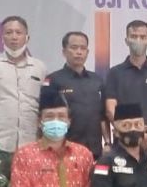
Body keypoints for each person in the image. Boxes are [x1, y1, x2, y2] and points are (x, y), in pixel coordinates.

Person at [0, 16, 48, 152]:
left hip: (31, 143)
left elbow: (44, 106)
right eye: (9, 33)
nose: (14, 37)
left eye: (18, 32)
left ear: (27, 37)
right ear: (2, 38)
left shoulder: (40, 67)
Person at [105, 20, 147, 163]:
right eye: (134, 37)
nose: (138, 41)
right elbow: (110, 109)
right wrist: (132, 134)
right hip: (123, 144)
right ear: (126, 40)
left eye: (142, 37)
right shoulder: (114, 73)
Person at [42, 31, 109, 160]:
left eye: (83, 48)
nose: (79, 52)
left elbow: (102, 117)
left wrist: (107, 142)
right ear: (64, 52)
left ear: (87, 52)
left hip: (94, 151)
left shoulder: (97, 80)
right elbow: (45, 116)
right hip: (63, 151)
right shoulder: (52, 80)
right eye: (74, 47)